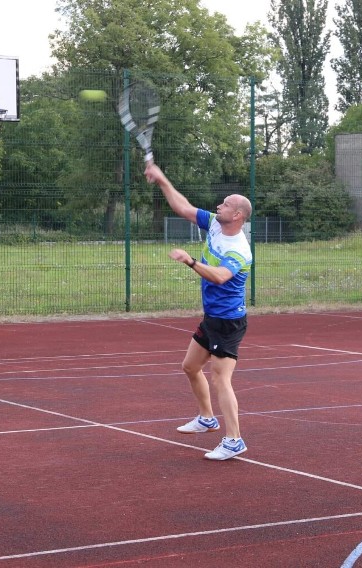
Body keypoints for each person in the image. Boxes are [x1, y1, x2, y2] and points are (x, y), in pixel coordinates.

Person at [144, 163, 253, 461]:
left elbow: (219, 276)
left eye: (226, 203)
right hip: (212, 317)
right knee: (190, 367)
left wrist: (190, 261)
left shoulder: (239, 250)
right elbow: (184, 208)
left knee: (221, 378)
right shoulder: (216, 224)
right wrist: (163, 179)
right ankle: (207, 418)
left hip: (229, 321)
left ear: (238, 215)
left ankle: (234, 440)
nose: (219, 205)